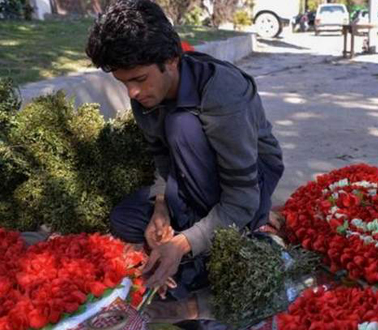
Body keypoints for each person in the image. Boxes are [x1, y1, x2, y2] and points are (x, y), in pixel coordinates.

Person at [85, 0, 284, 298]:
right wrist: (161, 207)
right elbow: (163, 159)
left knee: (182, 127)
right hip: (191, 176)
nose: (133, 93)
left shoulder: (222, 94)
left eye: (139, 79)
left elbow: (241, 195)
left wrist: (180, 245)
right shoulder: (145, 94)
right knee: (124, 217)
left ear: (172, 60)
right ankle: (202, 231)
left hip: (248, 180)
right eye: (123, 82)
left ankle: (243, 224)